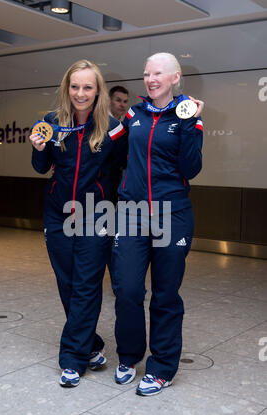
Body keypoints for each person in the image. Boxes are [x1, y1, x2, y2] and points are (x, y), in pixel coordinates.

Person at [30, 60, 127, 388]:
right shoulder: (51, 122)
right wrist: (38, 148)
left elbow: (122, 171)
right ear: (66, 88)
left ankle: (71, 360)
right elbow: (41, 167)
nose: (80, 93)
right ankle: (91, 346)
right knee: (67, 283)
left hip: (96, 216)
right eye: (75, 86)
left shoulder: (113, 128)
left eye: (88, 87)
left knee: (86, 285)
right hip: (58, 215)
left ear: (97, 90)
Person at [112, 52, 204, 396]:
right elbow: (112, 150)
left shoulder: (186, 115)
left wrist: (191, 124)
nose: (150, 79)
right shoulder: (135, 113)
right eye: (147, 73)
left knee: (165, 295)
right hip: (132, 213)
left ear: (175, 77)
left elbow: (191, 168)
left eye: (158, 74)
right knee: (128, 289)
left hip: (172, 214)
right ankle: (129, 356)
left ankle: (162, 367)